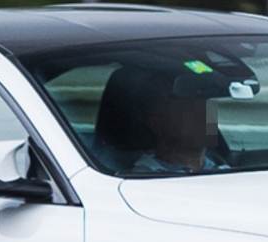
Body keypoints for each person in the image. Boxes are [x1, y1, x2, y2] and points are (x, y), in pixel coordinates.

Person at [91, 59, 229, 174]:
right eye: (189, 109)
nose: (203, 115)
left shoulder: (226, 169)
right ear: (156, 124)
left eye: (205, 105)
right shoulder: (142, 179)